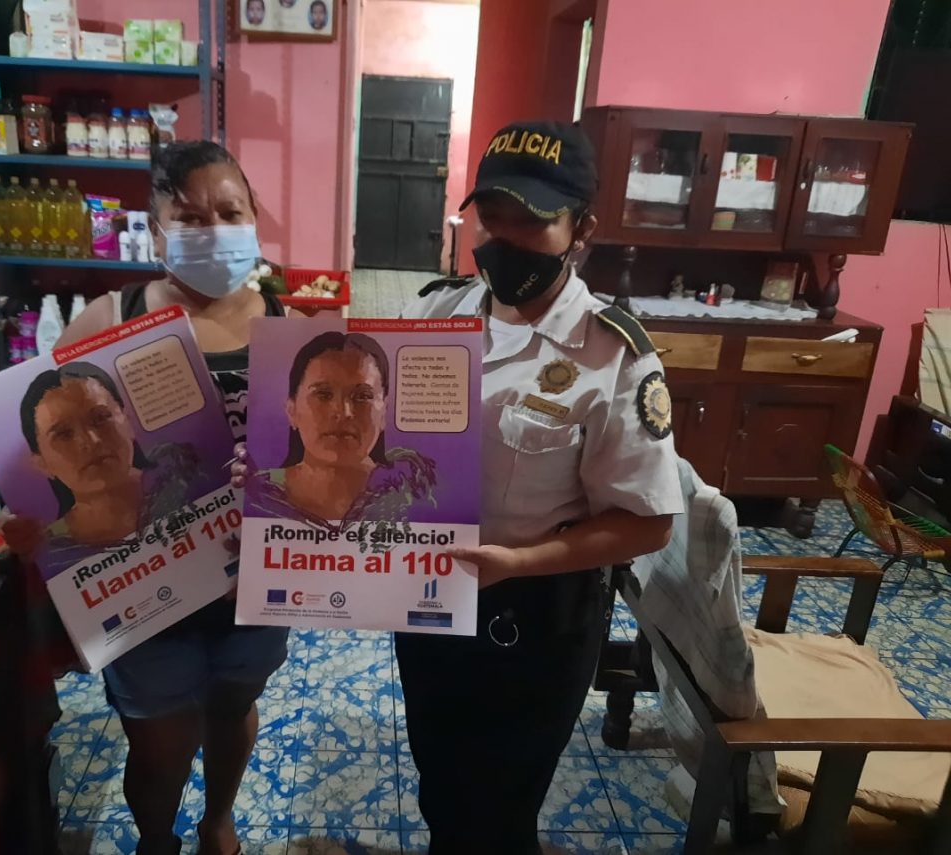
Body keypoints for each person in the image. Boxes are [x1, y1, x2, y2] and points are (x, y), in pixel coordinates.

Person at [394, 121, 682, 854]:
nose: (504, 239)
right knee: (440, 779)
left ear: (582, 229)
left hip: (534, 614)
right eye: (492, 217)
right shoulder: (436, 313)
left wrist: (517, 563)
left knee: (499, 806)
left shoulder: (613, 354)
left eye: (531, 221)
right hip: (430, 594)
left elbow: (648, 523)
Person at [4, 140, 292, 855]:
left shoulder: (284, 324)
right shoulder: (109, 317)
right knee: (159, 740)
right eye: (189, 217)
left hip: (252, 581)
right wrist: (36, 521)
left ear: (254, 219)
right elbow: (37, 445)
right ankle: (157, 839)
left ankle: (218, 821)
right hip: (142, 584)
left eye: (230, 212)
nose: (213, 230)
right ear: (157, 231)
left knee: (234, 707)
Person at [19, 362, 201, 575]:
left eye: (100, 418)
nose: (92, 441)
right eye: (64, 435)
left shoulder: (190, 482)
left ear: (129, 423)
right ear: (41, 464)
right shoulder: (47, 551)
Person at [246, 331, 436, 530]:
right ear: (291, 410)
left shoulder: (416, 498)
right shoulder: (257, 496)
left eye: (362, 396)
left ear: (384, 413)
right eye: (323, 394)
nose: (343, 412)